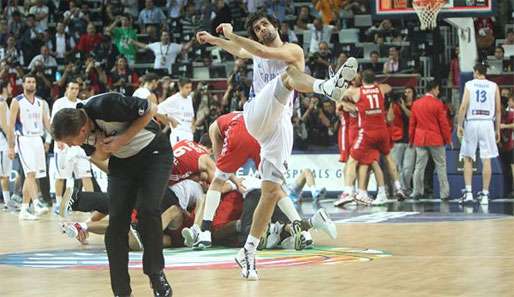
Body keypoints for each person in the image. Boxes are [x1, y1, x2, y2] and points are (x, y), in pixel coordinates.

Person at [196, 11, 358, 280]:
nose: (261, 29)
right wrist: (215, 39)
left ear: (275, 26)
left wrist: (229, 34)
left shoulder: (291, 49)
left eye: (264, 25)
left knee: (271, 192)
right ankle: (326, 87)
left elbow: (253, 49)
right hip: (256, 116)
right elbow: (241, 50)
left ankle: (248, 251)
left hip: (280, 126)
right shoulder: (257, 50)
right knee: (288, 77)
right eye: (257, 28)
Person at [51, 92, 175, 297]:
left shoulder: (107, 105)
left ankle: (155, 273)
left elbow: (150, 109)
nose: (71, 145)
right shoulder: (80, 131)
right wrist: (102, 148)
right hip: (122, 164)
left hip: (154, 154)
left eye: (70, 142)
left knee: (147, 210)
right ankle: (121, 291)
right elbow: (99, 156)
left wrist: (122, 139)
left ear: (82, 130)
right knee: (116, 224)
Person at [337, 70, 406, 205]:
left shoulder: (356, 92)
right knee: (388, 158)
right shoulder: (380, 88)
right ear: (374, 80)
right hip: (382, 131)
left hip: (367, 133)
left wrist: (341, 98)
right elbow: (389, 88)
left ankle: (348, 192)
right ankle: (399, 187)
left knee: (352, 161)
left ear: (362, 80)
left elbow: (339, 94)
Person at [7, 74, 51, 220]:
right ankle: (36, 202)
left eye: (33, 82)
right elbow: (11, 125)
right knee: (30, 174)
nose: (31, 84)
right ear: (23, 85)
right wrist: (11, 146)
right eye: (28, 82)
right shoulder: (17, 101)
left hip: (38, 140)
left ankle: (24, 210)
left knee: (31, 176)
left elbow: (47, 124)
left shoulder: (41, 102)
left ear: (36, 85)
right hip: (24, 139)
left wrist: (58, 139)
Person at [457, 64, 501, 204]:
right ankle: (485, 195)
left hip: (472, 122)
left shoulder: (469, 84)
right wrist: (497, 129)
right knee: (486, 159)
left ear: (476, 72)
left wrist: (459, 124)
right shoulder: (494, 86)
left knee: (468, 157)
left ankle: (469, 193)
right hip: (487, 123)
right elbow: (499, 110)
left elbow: (463, 106)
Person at [50, 80, 94, 215]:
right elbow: (53, 124)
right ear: (67, 89)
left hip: (80, 146)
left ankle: (92, 203)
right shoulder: (59, 103)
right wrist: (57, 140)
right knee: (62, 176)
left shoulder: (81, 104)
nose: (74, 91)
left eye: (76, 88)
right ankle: (58, 204)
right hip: (64, 145)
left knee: (86, 175)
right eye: (72, 88)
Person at [409, 81, 451, 200]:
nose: (438, 92)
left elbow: (412, 124)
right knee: (441, 166)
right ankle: (444, 193)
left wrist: (411, 140)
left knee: (419, 166)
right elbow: (443, 124)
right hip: (435, 139)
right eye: (437, 90)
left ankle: (417, 191)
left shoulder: (416, 104)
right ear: (433, 89)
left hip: (420, 139)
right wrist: (448, 139)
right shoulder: (438, 104)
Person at [158, 78, 195, 146]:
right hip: (179, 133)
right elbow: (156, 110)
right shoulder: (173, 99)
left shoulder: (189, 98)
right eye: (187, 87)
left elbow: (191, 115)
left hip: (189, 134)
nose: (189, 90)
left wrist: (193, 126)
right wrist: (170, 120)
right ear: (180, 87)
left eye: (190, 87)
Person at [0, 80, 16, 211]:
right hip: (2, 142)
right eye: (10, 86)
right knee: (4, 174)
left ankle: (8, 201)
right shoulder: (1, 102)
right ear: (4, 88)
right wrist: (12, 139)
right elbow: (4, 125)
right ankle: (7, 202)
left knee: (4, 174)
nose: (12, 88)